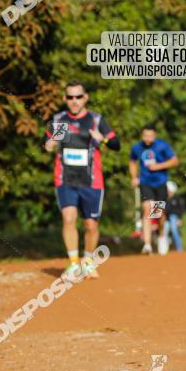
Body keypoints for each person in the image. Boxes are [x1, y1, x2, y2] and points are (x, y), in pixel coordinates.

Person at [44, 81, 120, 279]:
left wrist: (101, 138)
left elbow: (116, 144)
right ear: (65, 99)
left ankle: (88, 261)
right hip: (65, 178)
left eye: (78, 97)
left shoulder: (96, 120)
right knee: (68, 218)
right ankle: (73, 264)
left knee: (91, 225)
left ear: (85, 97)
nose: (74, 101)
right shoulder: (60, 120)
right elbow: (48, 145)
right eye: (70, 97)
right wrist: (50, 144)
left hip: (92, 180)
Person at [129, 124, 179, 255]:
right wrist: (134, 177)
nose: (147, 138)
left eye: (150, 135)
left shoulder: (162, 146)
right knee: (147, 210)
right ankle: (147, 244)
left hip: (160, 183)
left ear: (155, 135)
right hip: (145, 183)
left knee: (159, 213)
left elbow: (175, 161)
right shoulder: (137, 148)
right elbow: (132, 161)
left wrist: (159, 166)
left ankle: (161, 235)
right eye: (145, 135)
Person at [164, 180, 184, 252]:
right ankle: (165, 249)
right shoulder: (164, 198)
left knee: (174, 230)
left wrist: (180, 219)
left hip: (174, 217)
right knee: (164, 231)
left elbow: (181, 209)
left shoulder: (177, 199)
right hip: (165, 218)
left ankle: (179, 248)